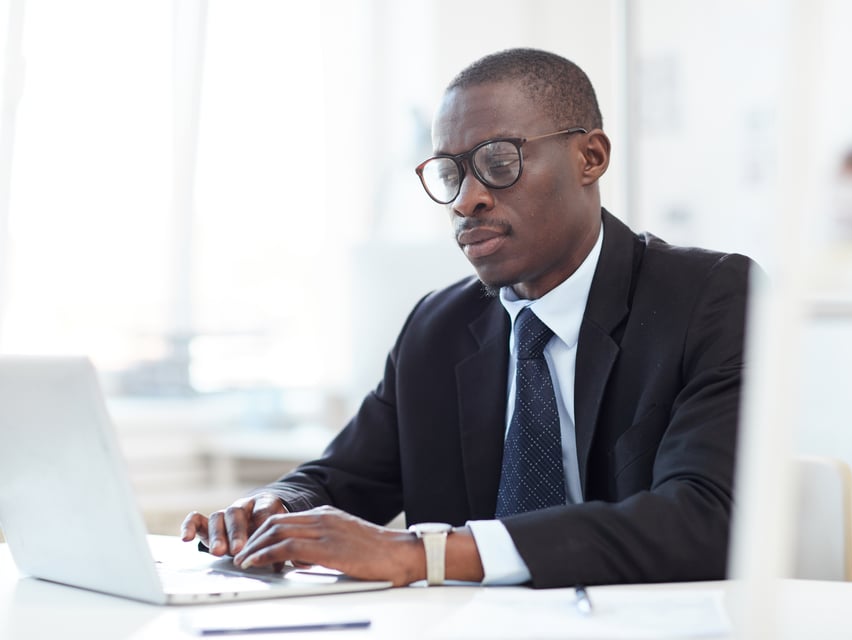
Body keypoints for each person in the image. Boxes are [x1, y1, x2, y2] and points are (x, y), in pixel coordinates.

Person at [181, 47, 755, 589]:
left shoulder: (711, 298)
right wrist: (275, 506)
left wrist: (423, 554)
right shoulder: (437, 327)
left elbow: (705, 520)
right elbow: (344, 477)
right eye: (452, 175)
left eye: (499, 162)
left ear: (591, 158)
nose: (466, 200)